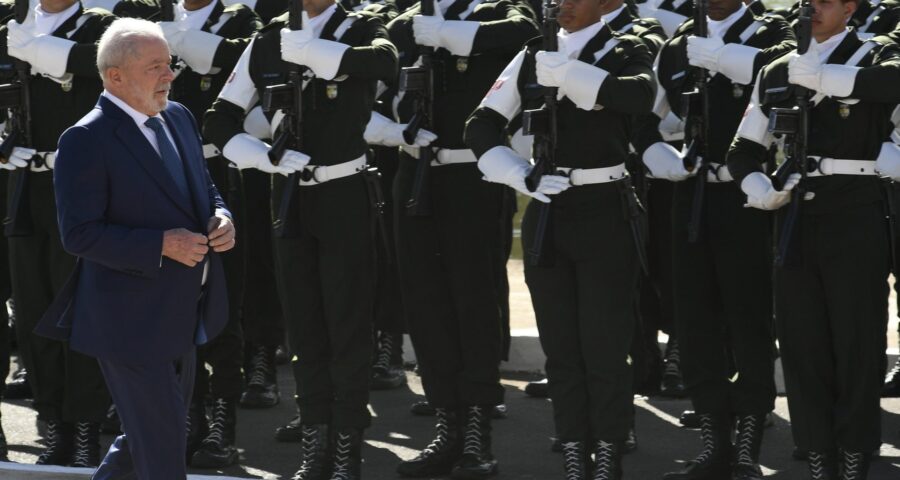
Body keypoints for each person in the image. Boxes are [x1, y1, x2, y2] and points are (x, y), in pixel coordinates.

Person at [203, 0, 400, 477]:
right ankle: (316, 444)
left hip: (346, 194)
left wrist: (318, 52)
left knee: (347, 327)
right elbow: (219, 118)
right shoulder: (268, 40)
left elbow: (386, 62)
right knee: (306, 326)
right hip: (289, 195)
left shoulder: (361, 27)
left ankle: (347, 449)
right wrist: (263, 157)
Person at [465, 0, 655, 476]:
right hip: (550, 208)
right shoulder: (532, 54)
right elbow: (482, 123)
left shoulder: (625, 48)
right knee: (562, 346)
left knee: (605, 343)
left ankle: (608, 447)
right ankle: (573, 445)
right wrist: (518, 175)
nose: (560, 4)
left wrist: (568, 74)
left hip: (607, 209)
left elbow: (636, 98)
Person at [41, 17, 235, 479]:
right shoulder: (85, 139)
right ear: (115, 77)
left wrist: (223, 217)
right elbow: (80, 234)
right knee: (164, 448)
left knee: (146, 438)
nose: (169, 75)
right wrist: (161, 244)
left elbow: (204, 187)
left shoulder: (180, 116)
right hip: (127, 321)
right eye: (156, 67)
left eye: (169, 65)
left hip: (183, 310)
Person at [726, 0, 900, 476]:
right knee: (802, 345)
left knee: (856, 343)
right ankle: (819, 452)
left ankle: (853, 452)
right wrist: (756, 187)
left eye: (826, 1)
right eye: (808, 1)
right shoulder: (778, 69)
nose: (813, 8)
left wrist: (820, 77)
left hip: (856, 215)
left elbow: (892, 83)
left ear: (850, 8)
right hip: (796, 220)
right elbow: (743, 148)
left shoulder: (877, 54)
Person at [632, 0, 795, 478]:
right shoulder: (679, 44)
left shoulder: (772, 34)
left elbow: (785, 74)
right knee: (694, 319)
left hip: (748, 199)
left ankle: (748, 441)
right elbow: (644, 115)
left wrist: (722, 56)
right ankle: (714, 439)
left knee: (749, 320)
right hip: (692, 195)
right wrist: (656, 154)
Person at [384, 1, 538, 478]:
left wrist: (447, 33)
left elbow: (523, 32)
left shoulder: (499, 12)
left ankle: (476, 432)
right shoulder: (405, 21)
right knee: (426, 306)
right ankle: (447, 423)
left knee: (472, 304)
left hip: (474, 178)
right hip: (416, 173)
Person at [1, 0, 116, 466]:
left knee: (80, 309)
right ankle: (55, 424)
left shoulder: (100, 25)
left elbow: (112, 74)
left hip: (79, 188)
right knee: (33, 310)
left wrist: (44, 50)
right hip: (20, 183)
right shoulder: (7, 24)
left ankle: (86, 424)